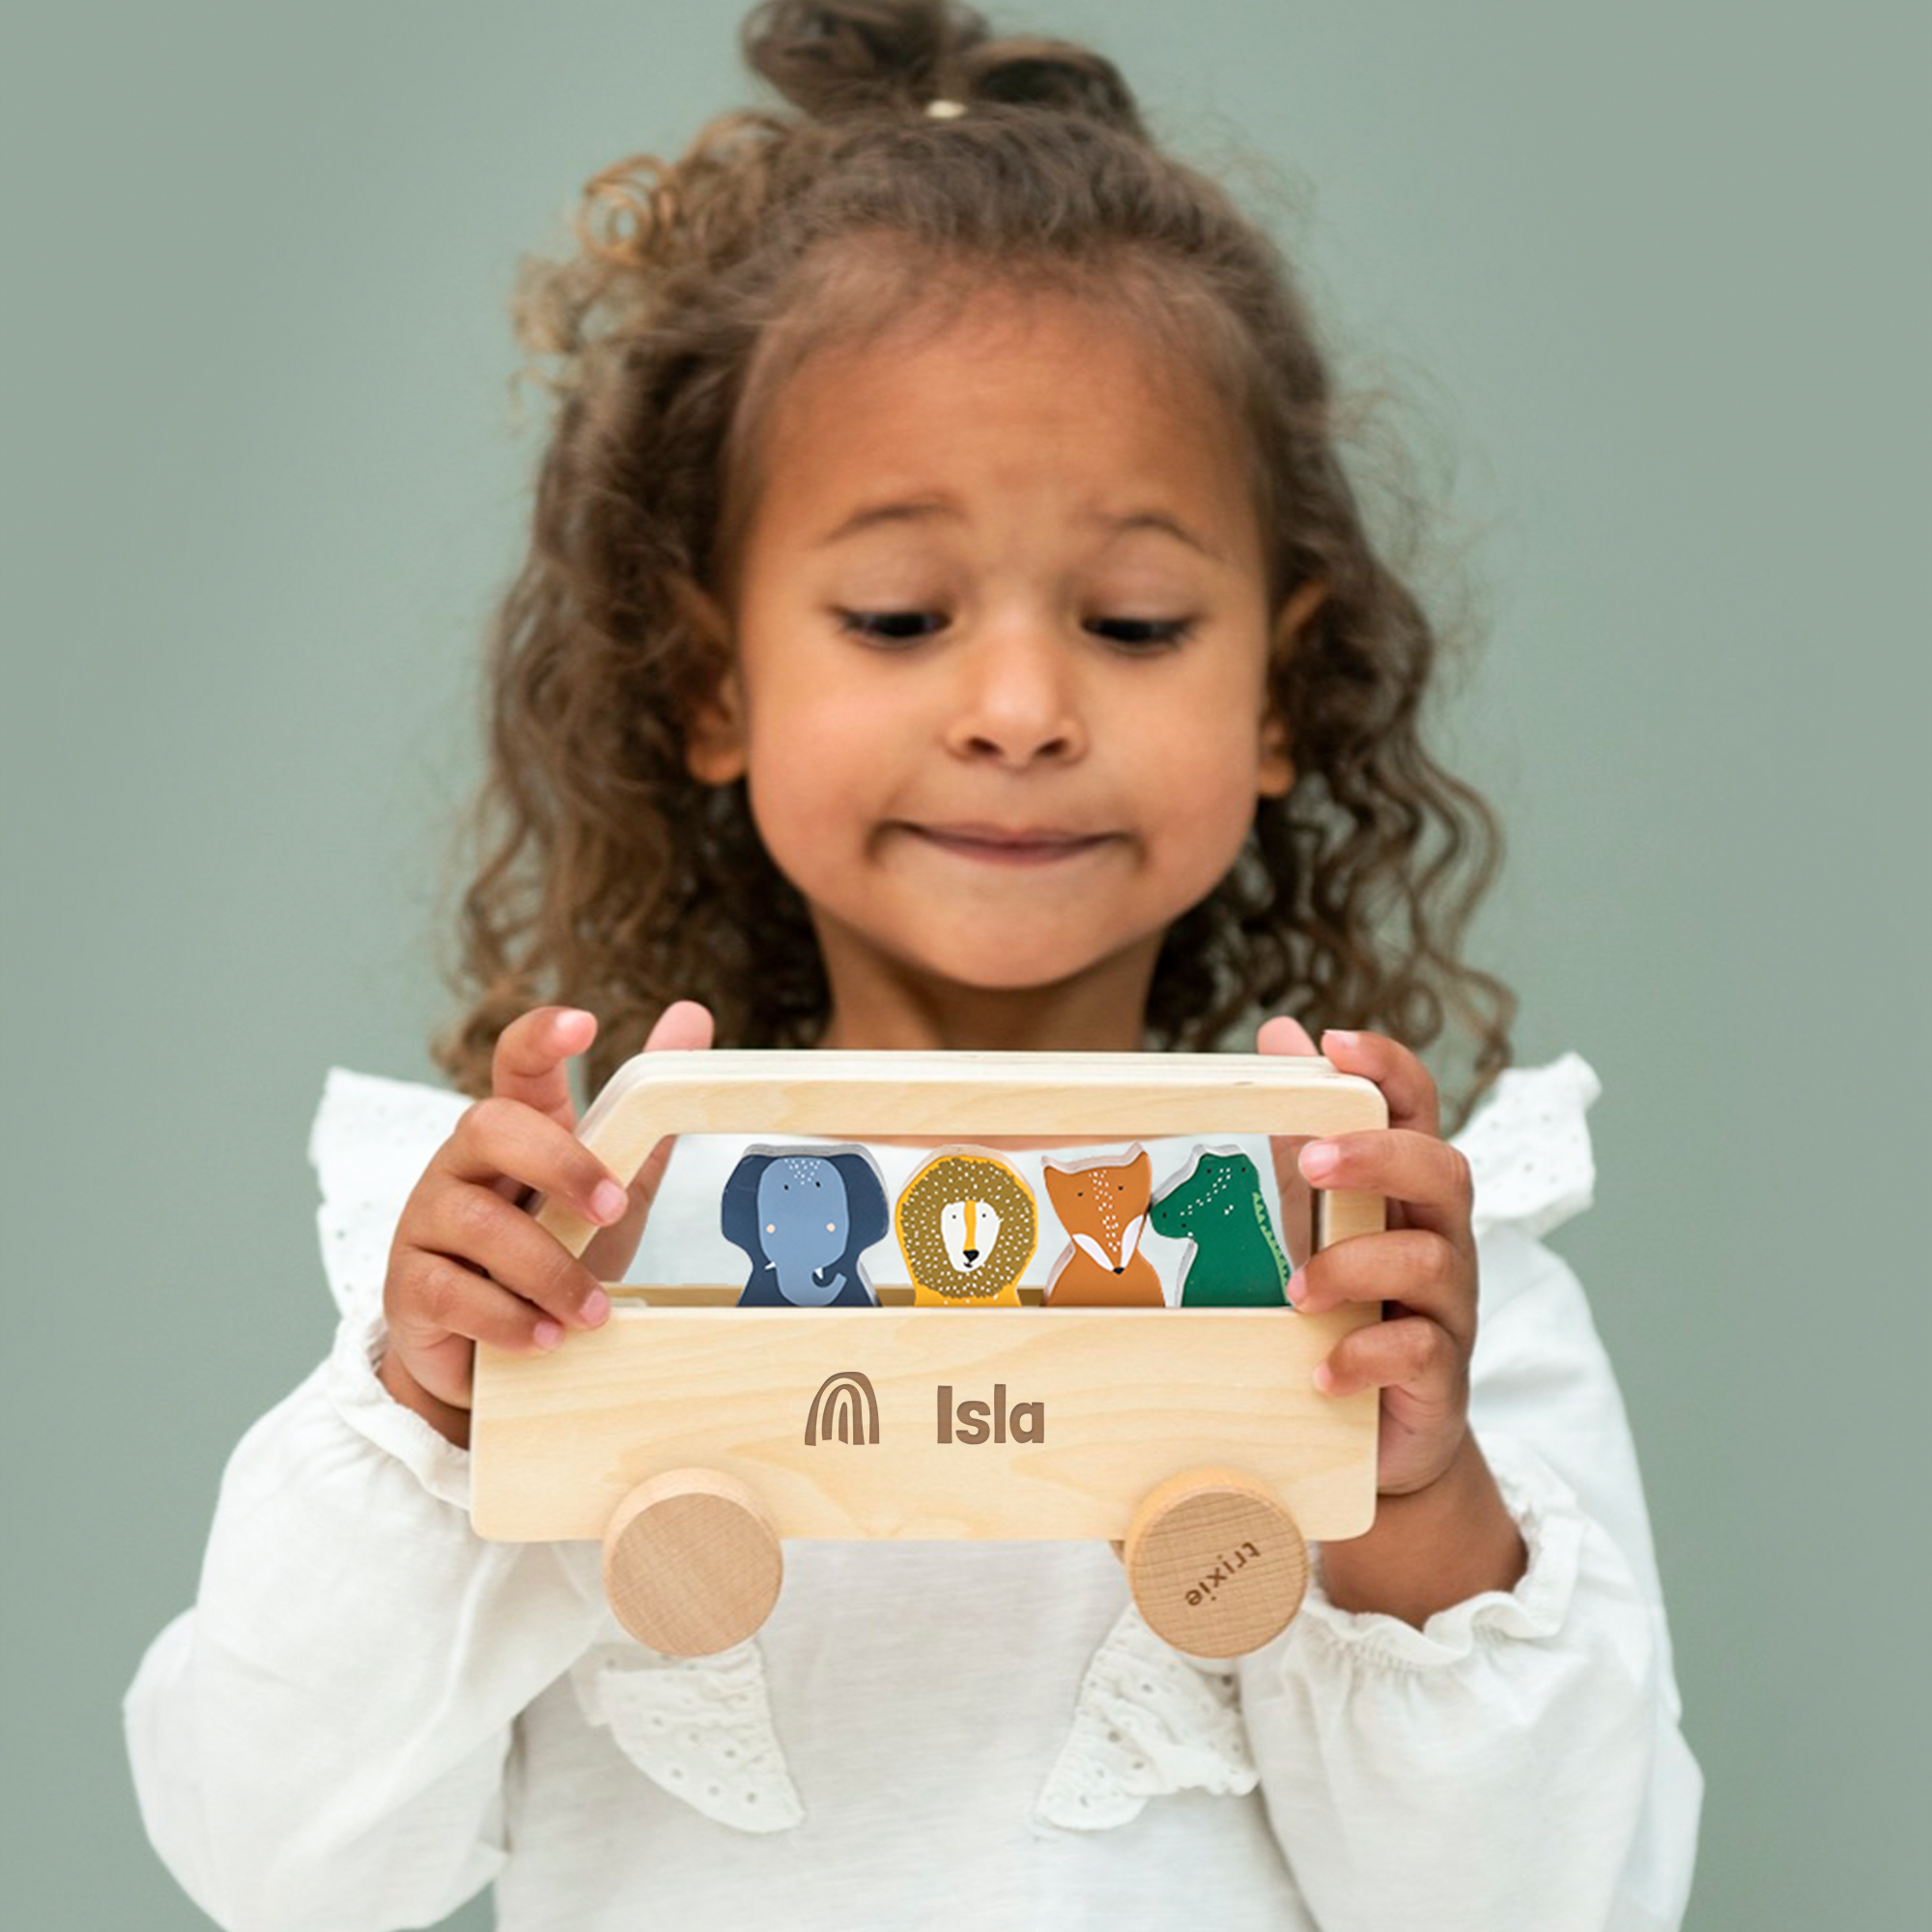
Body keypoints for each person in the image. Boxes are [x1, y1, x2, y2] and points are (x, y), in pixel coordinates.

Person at [123, 3, 1702, 1926]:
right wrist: (440, 1410)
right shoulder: (545, 1252)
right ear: (713, 679)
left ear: (1277, 689)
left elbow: (1560, 1903)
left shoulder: (1412, 1287)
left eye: (1130, 621)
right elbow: (276, 1866)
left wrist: (1417, 1508)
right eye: (896, 614)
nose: (1021, 707)